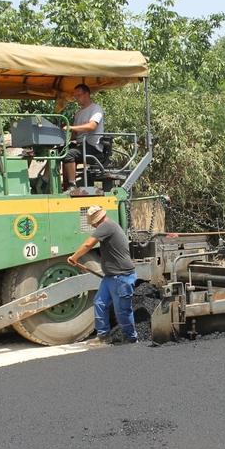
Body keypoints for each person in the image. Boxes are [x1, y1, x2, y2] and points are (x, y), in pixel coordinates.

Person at [67, 205, 137, 346]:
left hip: (122, 277)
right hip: (110, 277)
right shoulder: (107, 226)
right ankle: (103, 336)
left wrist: (74, 257)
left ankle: (131, 340)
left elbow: (88, 245)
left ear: (96, 220)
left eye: (92, 222)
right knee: (100, 303)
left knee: (122, 310)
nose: (92, 225)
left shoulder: (107, 226)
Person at [62, 84, 105, 191]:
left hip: (92, 146)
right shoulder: (78, 113)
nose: (76, 99)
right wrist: (63, 139)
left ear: (87, 94)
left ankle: (72, 185)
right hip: (81, 144)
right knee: (60, 151)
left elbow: (92, 126)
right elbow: (74, 133)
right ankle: (46, 180)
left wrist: (71, 127)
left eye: (78, 95)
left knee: (69, 154)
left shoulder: (96, 108)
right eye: (75, 96)